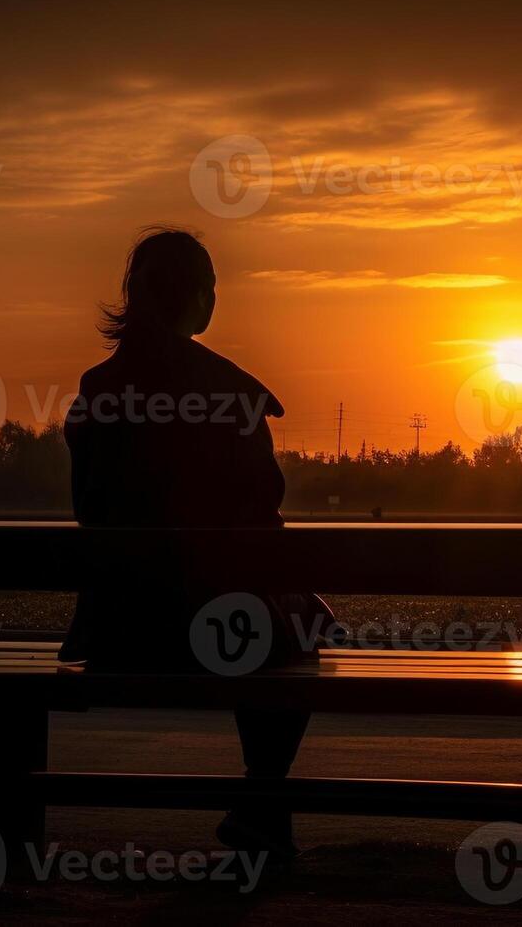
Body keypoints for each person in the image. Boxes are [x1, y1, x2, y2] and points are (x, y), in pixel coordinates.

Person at [60, 226, 329, 859]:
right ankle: (263, 798)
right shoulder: (233, 394)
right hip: (217, 630)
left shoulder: (97, 392)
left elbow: (88, 509)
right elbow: (265, 515)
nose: (215, 298)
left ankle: (265, 812)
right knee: (303, 625)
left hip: (118, 630)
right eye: (211, 286)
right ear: (194, 297)